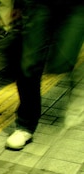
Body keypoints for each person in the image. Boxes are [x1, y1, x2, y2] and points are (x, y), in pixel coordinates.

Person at [6, 0, 84, 150]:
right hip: (39, 4)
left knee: (62, 63)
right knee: (29, 65)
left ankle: (79, 90)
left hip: (77, 6)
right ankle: (25, 125)